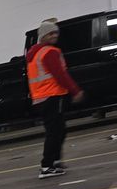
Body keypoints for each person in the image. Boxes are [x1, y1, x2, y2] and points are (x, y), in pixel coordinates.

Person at [27, 19, 84, 178]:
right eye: (50, 33)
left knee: (59, 130)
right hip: (51, 96)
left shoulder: (35, 53)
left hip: (41, 97)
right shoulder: (49, 52)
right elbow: (60, 74)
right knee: (55, 131)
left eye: (56, 33)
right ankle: (46, 166)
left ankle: (55, 161)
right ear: (43, 36)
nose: (54, 36)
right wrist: (75, 90)